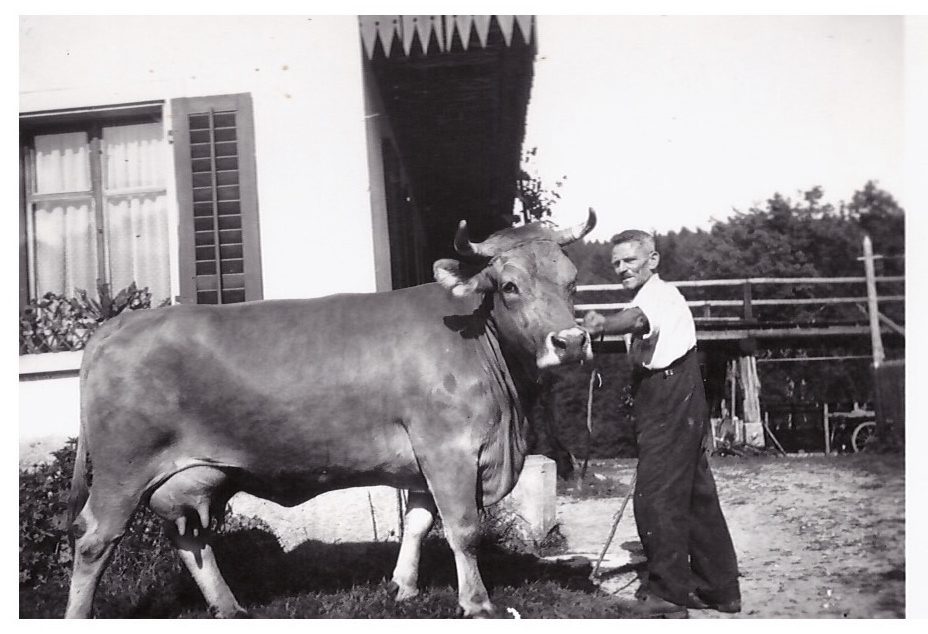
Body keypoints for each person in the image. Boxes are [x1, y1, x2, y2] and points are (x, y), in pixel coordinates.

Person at [583, 229, 741, 619]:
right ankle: (720, 590)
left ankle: (668, 595)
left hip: (671, 392)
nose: (621, 268)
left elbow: (636, 320)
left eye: (629, 260)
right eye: (616, 263)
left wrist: (602, 322)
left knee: (656, 495)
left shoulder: (659, 296)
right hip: (670, 392)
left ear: (652, 260)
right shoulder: (647, 296)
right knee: (695, 495)